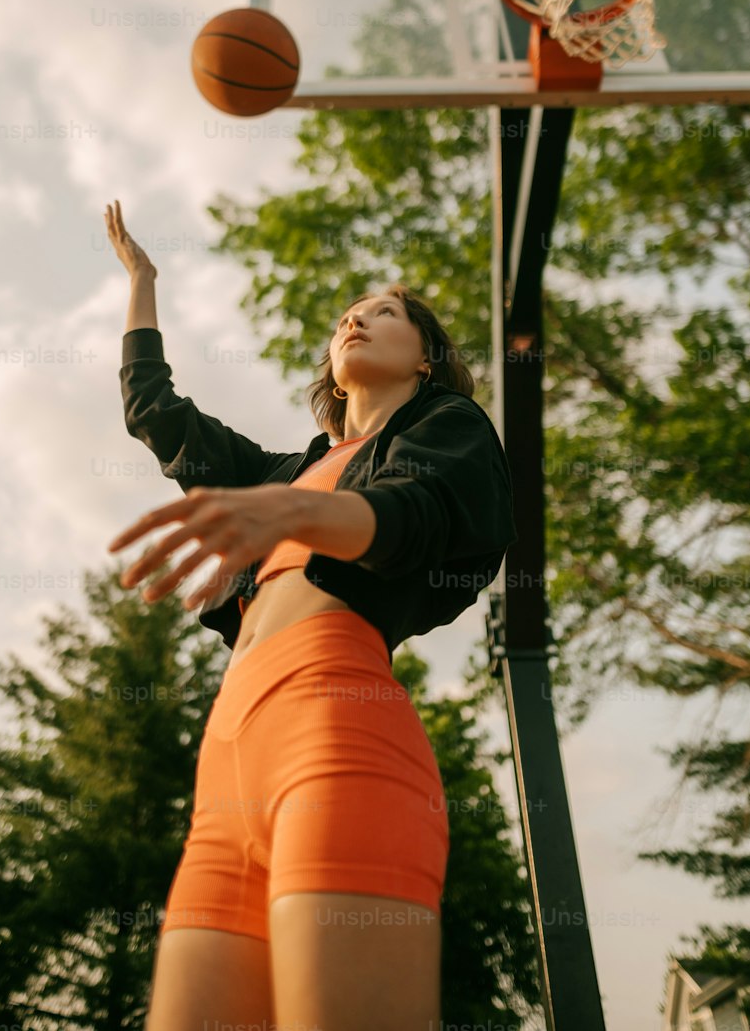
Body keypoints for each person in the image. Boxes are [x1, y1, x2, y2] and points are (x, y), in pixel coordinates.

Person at [104, 199, 517, 1031]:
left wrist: (291, 517)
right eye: (348, 316)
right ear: (330, 366)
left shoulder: (447, 426)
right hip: (225, 769)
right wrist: (143, 285)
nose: (359, 317)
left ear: (428, 359)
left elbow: (419, 517)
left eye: (386, 312)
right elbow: (155, 409)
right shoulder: (285, 470)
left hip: (336, 732)